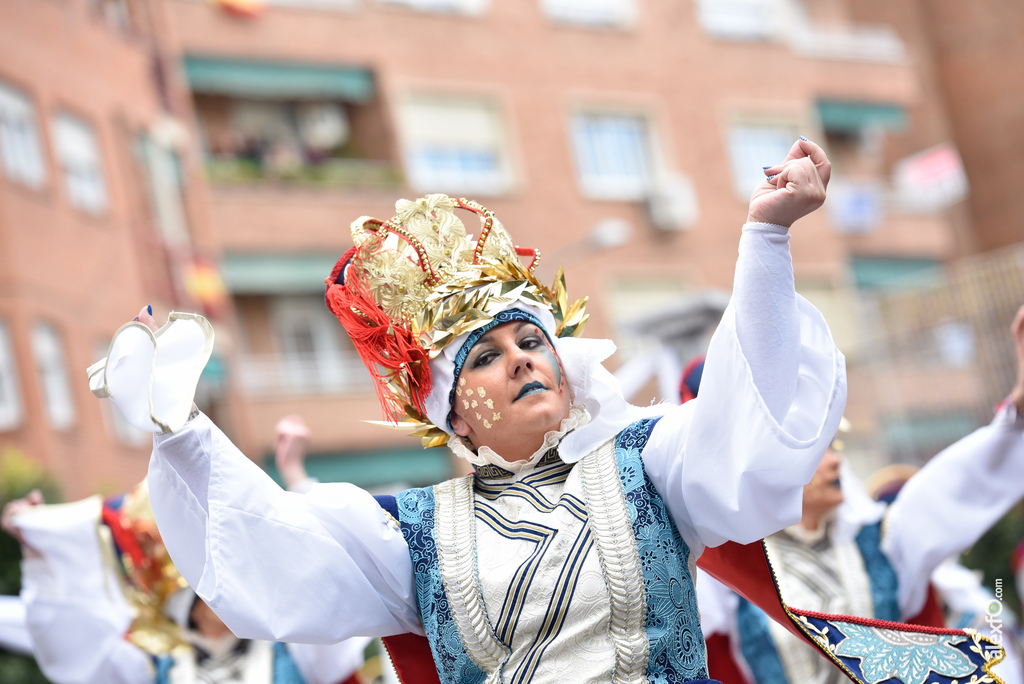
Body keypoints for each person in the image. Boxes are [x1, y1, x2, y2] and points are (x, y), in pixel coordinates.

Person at [105, 140, 850, 683]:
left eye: (531, 340)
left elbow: (744, 417)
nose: (522, 358)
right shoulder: (414, 534)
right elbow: (273, 554)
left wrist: (766, 237)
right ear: (452, 416)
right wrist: (183, 432)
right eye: (485, 357)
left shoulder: (650, 467)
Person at [695, 305, 1024, 684]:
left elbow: (961, 480)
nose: (837, 464)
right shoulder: (729, 568)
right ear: (767, 464)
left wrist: (1018, 402)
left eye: (834, 448)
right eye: (818, 453)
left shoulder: (881, 540)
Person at [0, 417, 369, 684]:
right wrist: (38, 547)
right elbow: (69, 635)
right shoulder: (148, 662)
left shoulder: (294, 644)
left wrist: (296, 480)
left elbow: (330, 589)